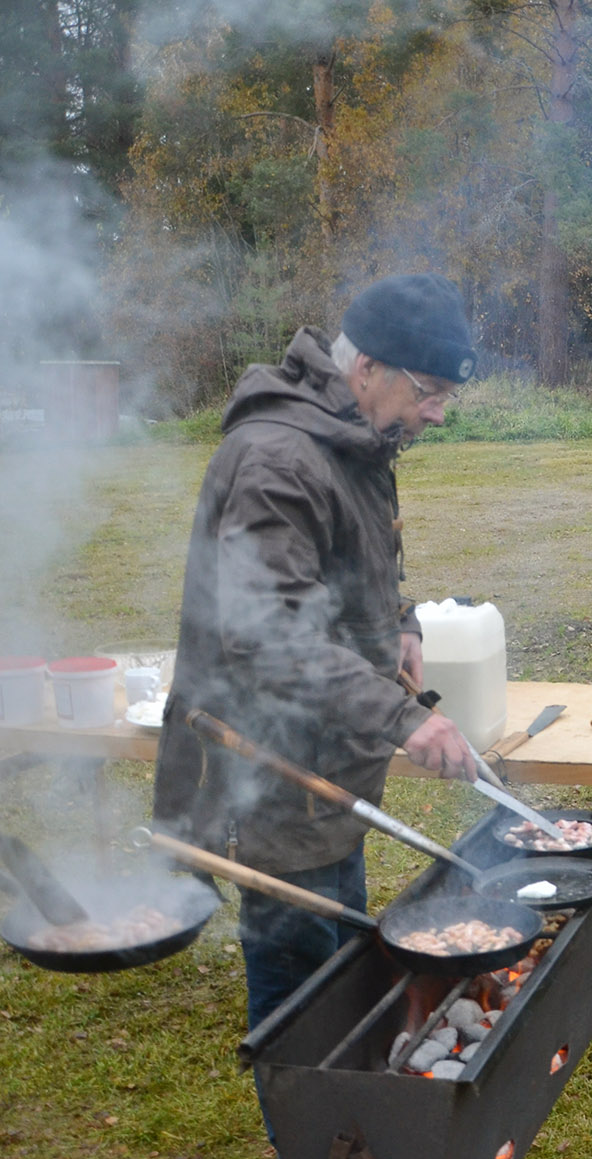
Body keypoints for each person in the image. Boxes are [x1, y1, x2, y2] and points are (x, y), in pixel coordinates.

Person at [154, 273, 483, 1040]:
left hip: (331, 758)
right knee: (298, 985)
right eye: (427, 391)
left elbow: (349, 562)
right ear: (365, 367)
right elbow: (267, 633)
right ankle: (308, 1145)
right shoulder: (278, 458)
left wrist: (401, 619)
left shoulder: (356, 439)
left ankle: (355, 1118)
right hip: (270, 767)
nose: (435, 413)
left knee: (341, 963)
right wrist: (404, 720)